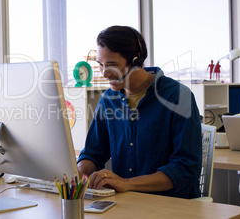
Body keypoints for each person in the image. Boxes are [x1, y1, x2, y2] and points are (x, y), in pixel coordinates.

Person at [77, 26, 202, 199]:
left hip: (171, 205)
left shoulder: (178, 96)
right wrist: (78, 173)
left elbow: (186, 169)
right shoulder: (108, 100)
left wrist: (127, 184)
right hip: (127, 204)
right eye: (100, 65)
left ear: (136, 61)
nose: (104, 73)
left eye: (112, 65)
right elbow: (93, 153)